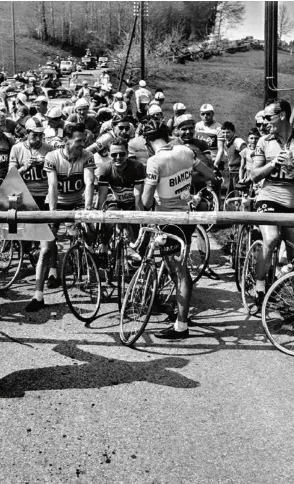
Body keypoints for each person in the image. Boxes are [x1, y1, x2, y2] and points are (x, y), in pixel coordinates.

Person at [141, 120, 215, 340]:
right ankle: (180, 315)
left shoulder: (155, 161)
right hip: (187, 216)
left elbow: (145, 201)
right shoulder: (185, 150)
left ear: (148, 142)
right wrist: (185, 188)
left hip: (169, 220)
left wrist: (157, 193)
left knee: (179, 271)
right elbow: (209, 174)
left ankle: (181, 325)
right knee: (178, 269)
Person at [250, 98, 294, 304]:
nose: (264, 121)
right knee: (271, 239)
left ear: (281, 116)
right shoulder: (264, 141)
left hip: (293, 200)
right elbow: (254, 175)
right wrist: (272, 164)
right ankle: (260, 286)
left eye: (268, 116)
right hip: (268, 196)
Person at [25, 123, 96, 311]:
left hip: (78, 202)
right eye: (79, 141)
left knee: (91, 235)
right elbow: (53, 186)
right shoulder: (52, 157)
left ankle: (91, 268)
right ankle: (37, 296)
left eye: (85, 140)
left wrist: (87, 210)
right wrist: (53, 214)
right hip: (56, 202)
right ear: (66, 140)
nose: (83, 144)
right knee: (46, 249)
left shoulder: (87, 156)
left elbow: (89, 183)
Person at [96, 138, 145, 254]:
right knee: (108, 222)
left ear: (127, 154)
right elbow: (102, 195)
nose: (118, 157)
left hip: (132, 202)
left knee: (138, 228)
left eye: (122, 154)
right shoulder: (104, 168)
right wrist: (98, 217)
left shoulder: (137, 167)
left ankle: (138, 252)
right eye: (114, 154)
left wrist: (140, 219)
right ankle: (104, 245)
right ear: (108, 154)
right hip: (115, 201)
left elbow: (138, 197)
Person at [216, 121, 247, 195]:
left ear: (233, 132)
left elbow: (246, 152)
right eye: (223, 133)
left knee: (238, 193)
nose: (225, 135)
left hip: (238, 172)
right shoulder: (226, 143)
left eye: (228, 132)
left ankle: (239, 206)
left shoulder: (237, 141)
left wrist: (243, 169)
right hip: (232, 172)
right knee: (230, 193)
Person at [195, 104, 224, 170]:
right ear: (200, 115)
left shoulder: (219, 128)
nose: (205, 116)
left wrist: (216, 164)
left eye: (208, 114)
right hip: (201, 159)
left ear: (212, 114)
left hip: (214, 159)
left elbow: (221, 149)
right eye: (203, 114)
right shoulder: (198, 125)